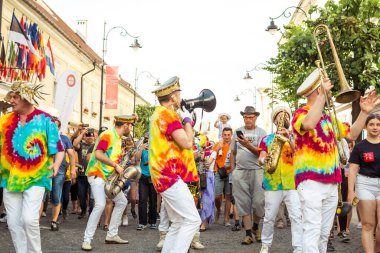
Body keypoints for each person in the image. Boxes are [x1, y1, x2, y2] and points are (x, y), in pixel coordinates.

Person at [292, 68, 379, 253]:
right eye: (326, 90)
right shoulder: (301, 113)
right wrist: (323, 96)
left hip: (332, 182)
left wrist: (364, 113)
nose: (330, 93)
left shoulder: (329, 117)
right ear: (318, 91)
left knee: (323, 234)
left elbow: (352, 134)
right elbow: (308, 124)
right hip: (311, 181)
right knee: (312, 230)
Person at [0, 81, 65, 253]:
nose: (11, 100)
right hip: (10, 178)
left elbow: (59, 149)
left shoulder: (45, 120)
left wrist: (56, 166)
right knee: (13, 223)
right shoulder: (4, 121)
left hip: (36, 176)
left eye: (15, 97)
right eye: (11, 97)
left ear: (26, 99)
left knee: (29, 220)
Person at [149, 76, 201, 253]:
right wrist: (187, 121)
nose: (181, 98)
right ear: (172, 97)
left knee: (178, 222)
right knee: (193, 220)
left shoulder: (157, 114)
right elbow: (187, 142)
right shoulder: (168, 115)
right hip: (169, 176)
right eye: (179, 94)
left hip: (162, 176)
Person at [81, 115, 137, 251]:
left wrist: (121, 162)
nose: (131, 129)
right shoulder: (108, 135)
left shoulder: (117, 138)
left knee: (122, 202)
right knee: (100, 204)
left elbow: (108, 155)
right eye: (130, 126)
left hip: (107, 177)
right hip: (97, 174)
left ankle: (112, 235)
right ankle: (87, 240)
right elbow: (99, 154)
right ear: (125, 125)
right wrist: (116, 166)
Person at [258, 106, 302, 253]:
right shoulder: (266, 139)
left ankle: (299, 247)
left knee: (296, 216)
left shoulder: (295, 138)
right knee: (269, 217)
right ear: (275, 120)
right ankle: (265, 245)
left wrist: (289, 137)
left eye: (285, 116)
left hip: (293, 183)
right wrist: (265, 159)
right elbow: (260, 157)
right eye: (279, 116)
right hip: (273, 183)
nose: (282, 119)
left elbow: (300, 153)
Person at [230, 106, 267, 245]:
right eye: (245, 117)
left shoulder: (262, 132)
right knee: (243, 203)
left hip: (258, 170)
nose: (248, 120)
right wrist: (233, 171)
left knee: (259, 202)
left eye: (250, 117)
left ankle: (256, 227)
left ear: (255, 118)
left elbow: (262, 153)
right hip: (240, 172)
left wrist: (247, 144)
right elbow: (233, 153)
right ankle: (248, 234)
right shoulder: (237, 132)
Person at [347, 113, 380, 253]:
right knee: (368, 224)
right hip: (365, 185)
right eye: (371, 124)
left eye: (378, 124)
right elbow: (353, 170)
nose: (375, 127)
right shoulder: (359, 147)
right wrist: (350, 191)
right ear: (366, 127)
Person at [50, 117, 76, 231]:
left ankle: (54, 220)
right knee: (41, 197)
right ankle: (35, 219)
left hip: (60, 172)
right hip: (44, 171)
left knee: (56, 196)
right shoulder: (44, 137)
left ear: (59, 127)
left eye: (55, 125)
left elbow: (71, 155)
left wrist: (73, 169)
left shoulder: (64, 138)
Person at [136, 132, 158, 230]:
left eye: (148, 138)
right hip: (143, 176)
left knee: (153, 201)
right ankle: (142, 222)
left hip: (153, 177)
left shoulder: (156, 147)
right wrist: (141, 148)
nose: (147, 140)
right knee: (142, 200)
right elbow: (136, 158)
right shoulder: (141, 147)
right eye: (145, 138)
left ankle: (152, 221)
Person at [213, 127, 233, 225]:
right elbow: (211, 157)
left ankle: (226, 219)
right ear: (222, 135)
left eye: (228, 135)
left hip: (230, 173)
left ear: (231, 135)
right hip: (219, 172)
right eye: (225, 135)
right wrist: (217, 149)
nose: (226, 137)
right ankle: (218, 209)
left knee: (228, 196)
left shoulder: (234, 145)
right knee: (217, 196)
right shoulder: (218, 144)